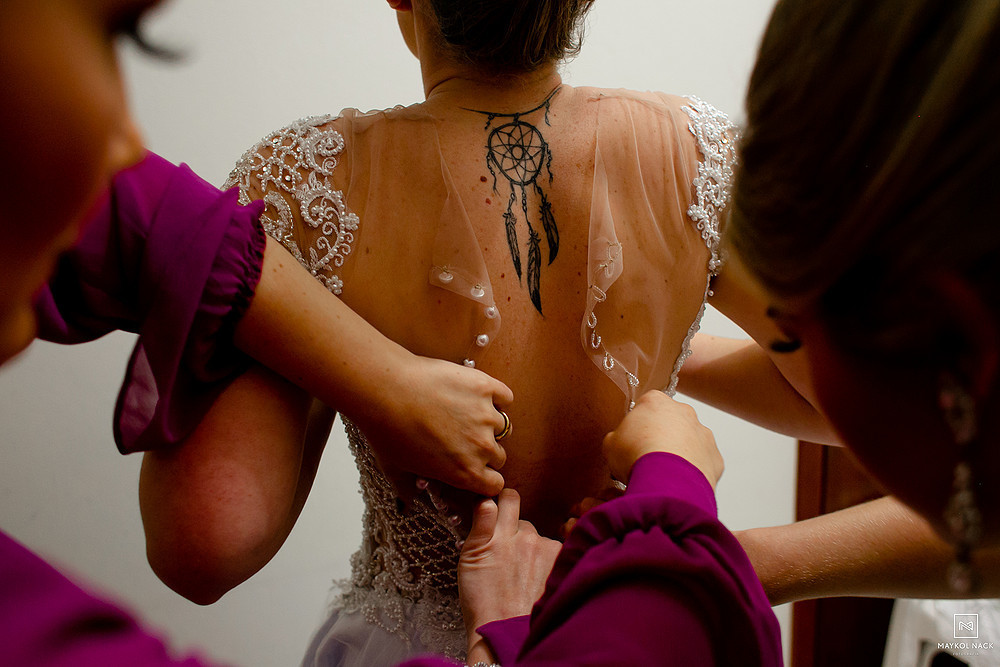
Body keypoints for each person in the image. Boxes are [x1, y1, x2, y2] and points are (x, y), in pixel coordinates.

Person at [144, 0, 830, 664]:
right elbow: (826, 404)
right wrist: (658, 352)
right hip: (632, 631)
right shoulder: (699, 156)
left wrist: (327, 351)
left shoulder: (305, 182)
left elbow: (207, 543)